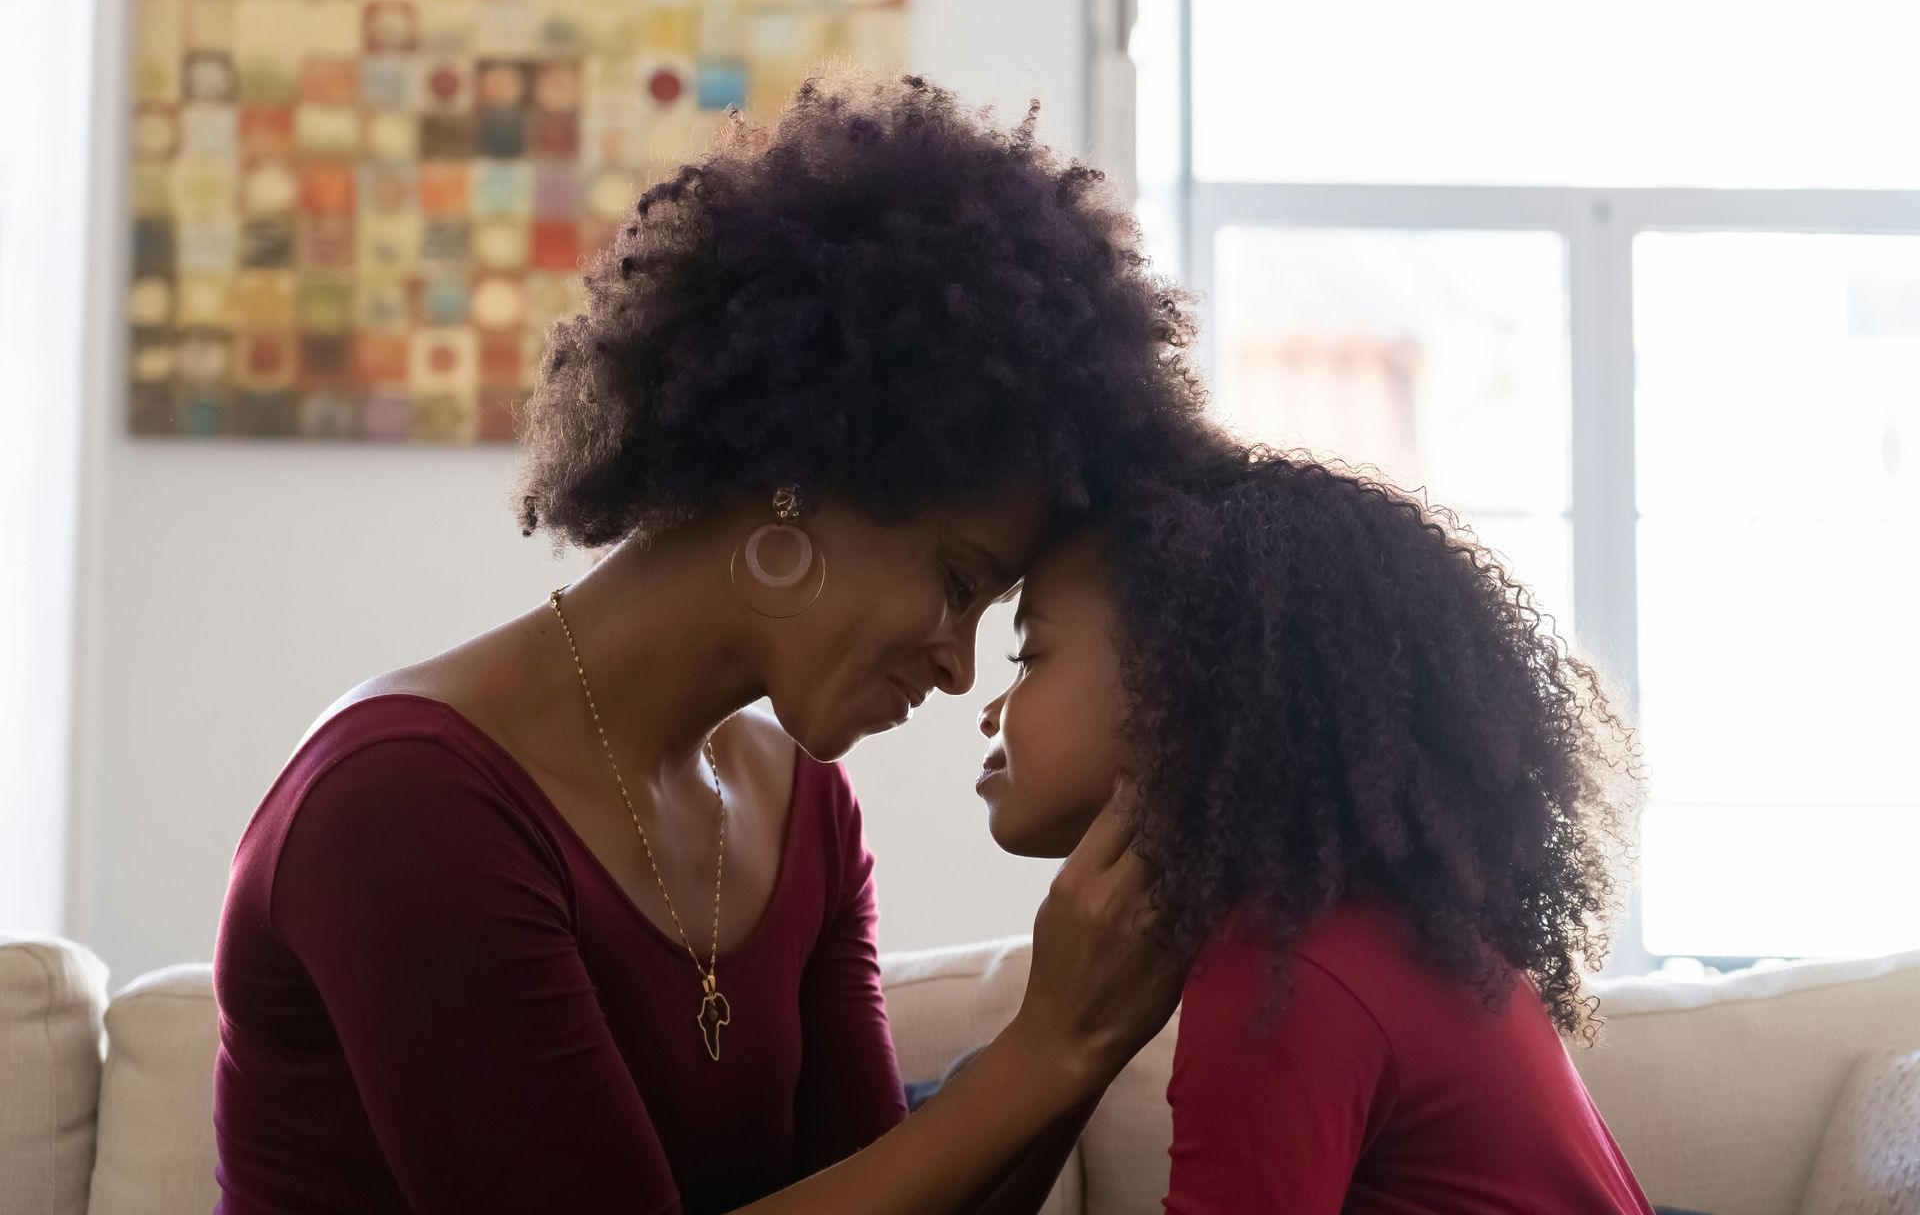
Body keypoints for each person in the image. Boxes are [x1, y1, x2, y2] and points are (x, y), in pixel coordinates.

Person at [212, 68, 1219, 1215]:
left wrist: (1086, 1041)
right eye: (956, 581)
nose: (956, 665)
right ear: (805, 473)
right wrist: (1043, 1047)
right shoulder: (400, 803)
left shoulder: (803, 811)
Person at [976, 446, 1657, 1213]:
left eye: (1028, 656)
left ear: (1185, 686)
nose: (989, 709)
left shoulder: (1284, 970)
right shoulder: (1377, 929)